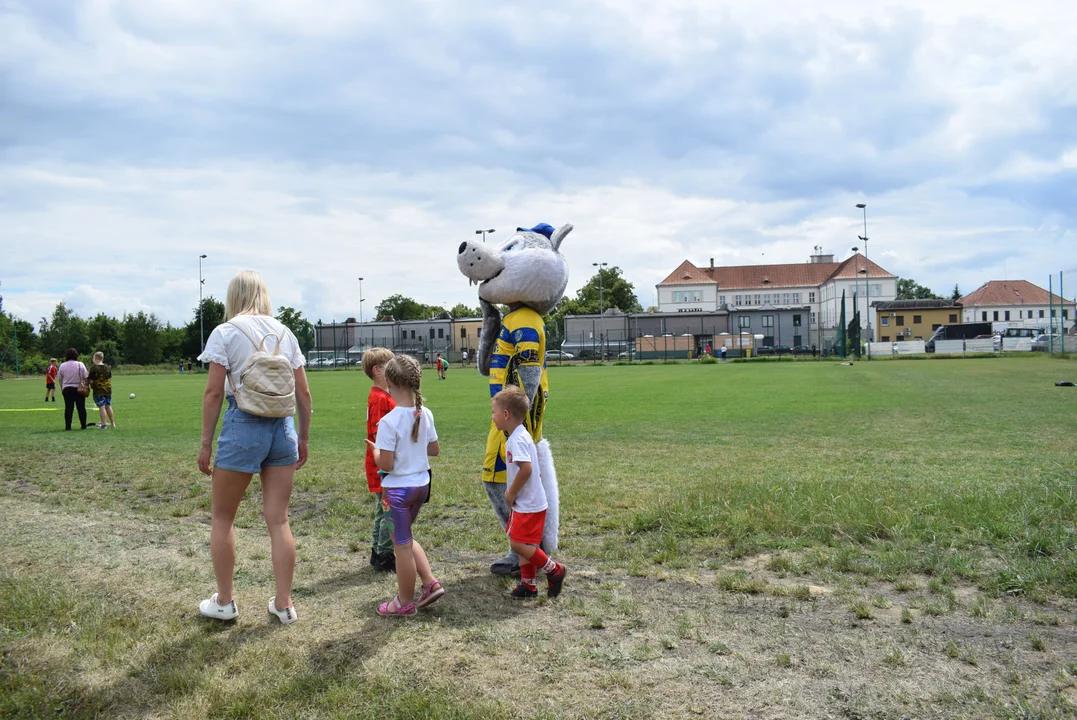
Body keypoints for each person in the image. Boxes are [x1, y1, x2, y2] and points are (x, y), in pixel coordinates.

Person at [195, 270, 313, 625]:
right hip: (282, 428)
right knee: (279, 520)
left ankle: (226, 601)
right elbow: (303, 393)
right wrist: (303, 437)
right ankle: (284, 604)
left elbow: (214, 392)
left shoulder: (226, 332)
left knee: (222, 517)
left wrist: (205, 444)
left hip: (243, 424)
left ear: (233, 297)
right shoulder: (285, 332)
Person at [366, 354, 444, 616]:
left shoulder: (389, 421)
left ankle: (404, 602)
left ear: (388, 381)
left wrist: (376, 452)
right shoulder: (426, 413)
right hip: (421, 486)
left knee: (401, 547)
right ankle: (430, 583)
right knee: (405, 539)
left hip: (398, 492)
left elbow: (386, 464)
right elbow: (434, 450)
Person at [493, 386, 567, 599]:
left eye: (494, 412)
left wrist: (511, 493)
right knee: (527, 544)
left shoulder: (516, 440)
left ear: (506, 414)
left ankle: (554, 569)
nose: (492, 417)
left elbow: (526, 469)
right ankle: (529, 585)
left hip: (527, 504)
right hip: (533, 502)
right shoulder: (521, 434)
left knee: (518, 544)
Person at [362, 347, 396, 572]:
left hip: (382, 461)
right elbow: (379, 435)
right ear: (377, 370)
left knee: (381, 510)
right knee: (388, 510)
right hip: (382, 463)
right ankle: (385, 555)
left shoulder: (384, 396)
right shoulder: (379, 398)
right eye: (390, 366)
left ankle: (376, 551)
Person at [57, 348, 89, 430]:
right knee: (81, 407)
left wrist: (62, 388)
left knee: (68, 408)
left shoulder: (62, 365)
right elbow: (86, 377)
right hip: (79, 389)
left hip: (67, 389)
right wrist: (86, 386)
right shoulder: (80, 364)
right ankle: (83, 425)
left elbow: (60, 379)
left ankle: (68, 426)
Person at [88, 351, 115, 429]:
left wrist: (90, 384)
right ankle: (113, 424)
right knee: (108, 406)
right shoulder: (107, 367)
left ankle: (103, 425)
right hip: (108, 390)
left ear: (95, 358)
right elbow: (109, 378)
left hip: (99, 390)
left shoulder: (94, 368)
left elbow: (91, 381)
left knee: (102, 407)